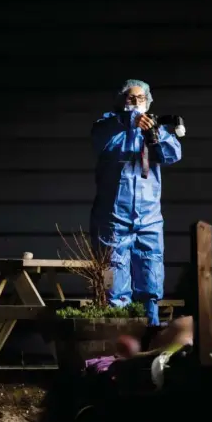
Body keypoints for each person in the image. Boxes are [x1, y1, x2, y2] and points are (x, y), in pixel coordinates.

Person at [90, 79, 182, 326]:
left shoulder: (153, 127)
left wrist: (155, 136)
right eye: (131, 98)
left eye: (141, 99)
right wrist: (127, 123)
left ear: (148, 101)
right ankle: (116, 339)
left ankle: (148, 337)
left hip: (149, 220)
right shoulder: (109, 127)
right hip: (113, 220)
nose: (136, 103)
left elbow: (173, 154)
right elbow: (100, 136)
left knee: (150, 279)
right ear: (121, 102)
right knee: (113, 282)